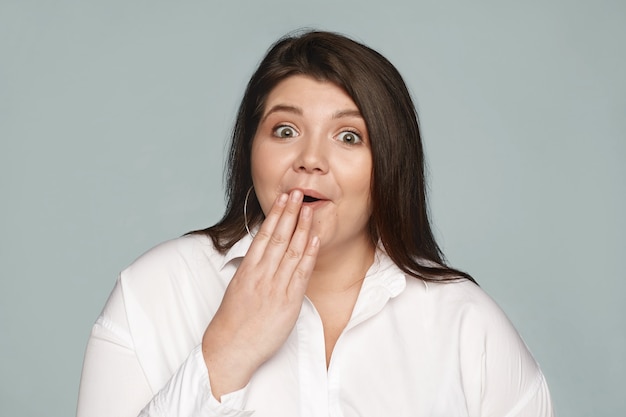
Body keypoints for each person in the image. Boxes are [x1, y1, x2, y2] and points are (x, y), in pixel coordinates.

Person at [77, 30, 554, 417]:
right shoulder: (154, 290)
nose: (310, 160)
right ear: (251, 151)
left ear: (388, 164)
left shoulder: (466, 324)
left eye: (349, 137)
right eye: (285, 130)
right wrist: (224, 354)